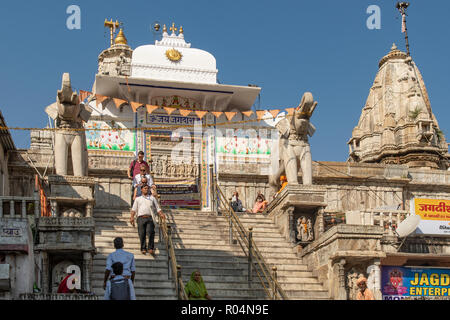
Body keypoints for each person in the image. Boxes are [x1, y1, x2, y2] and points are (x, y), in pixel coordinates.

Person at [130, 184, 165, 255]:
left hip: (150, 217)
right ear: (141, 189)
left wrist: (161, 214)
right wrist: (132, 217)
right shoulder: (138, 199)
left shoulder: (152, 198)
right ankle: (143, 248)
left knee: (151, 232)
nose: (146, 189)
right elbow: (134, 209)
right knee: (141, 233)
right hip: (140, 218)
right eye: (145, 188)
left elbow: (158, 208)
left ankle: (150, 248)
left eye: (147, 188)